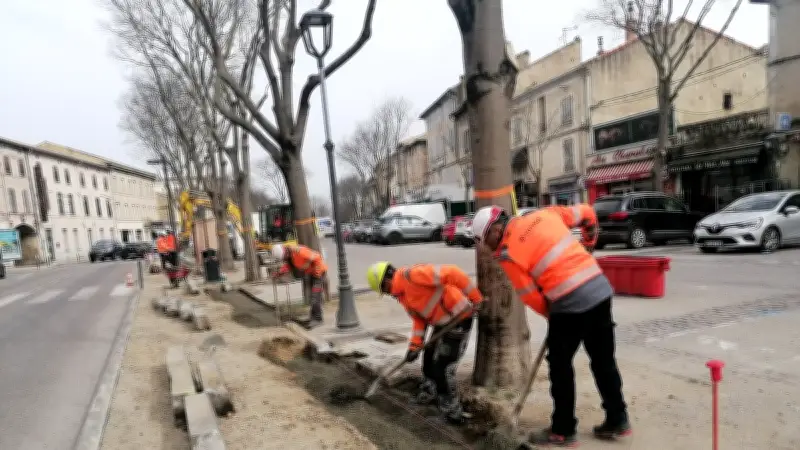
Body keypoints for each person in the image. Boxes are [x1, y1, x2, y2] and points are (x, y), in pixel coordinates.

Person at [471, 204, 631, 447]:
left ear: (495, 230)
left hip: (568, 304)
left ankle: (563, 430)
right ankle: (618, 419)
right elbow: (587, 213)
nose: (484, 246)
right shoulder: (544, 214)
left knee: (560, 366)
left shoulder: (507, 253)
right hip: (599, 289)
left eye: (483, 240)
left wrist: (552, 315)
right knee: (603, 361)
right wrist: (589, 242)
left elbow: (530, 296)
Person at [366, 262, 484, 424]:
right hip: (441, 323)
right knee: (428, 360)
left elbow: (454, 272)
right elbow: (419, 319)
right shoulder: (402, 295)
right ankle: (430, 392)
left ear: (386, 281)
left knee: (442, 368)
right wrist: (414, 346)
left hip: (458, 319)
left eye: (384, 290)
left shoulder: (414, 276)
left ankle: (452, 412)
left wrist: (476, 298)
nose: (388, 294)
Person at [270, 243, 327, 328]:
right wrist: (279, 273)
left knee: (315, 296)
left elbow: (317, 256)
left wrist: (309, 264)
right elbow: (288, 266)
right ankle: (313, 317)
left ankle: (318, 319)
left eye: (284, 256)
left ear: (285, 251)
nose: (285, 258)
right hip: (311, 274)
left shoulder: (299, 251)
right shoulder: (290, 256)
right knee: (313, 296)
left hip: (319, 273)